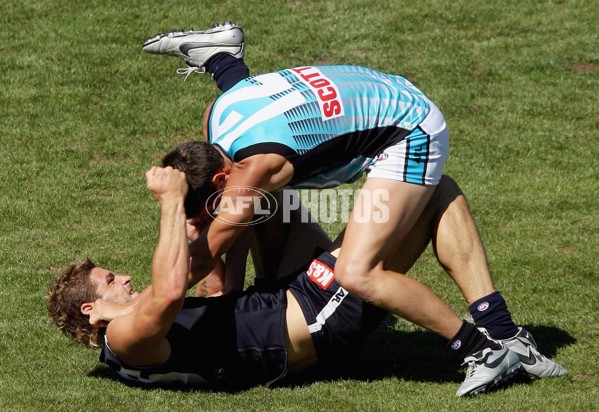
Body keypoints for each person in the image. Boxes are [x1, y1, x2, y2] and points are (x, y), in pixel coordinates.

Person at [142, 22, 567, 386]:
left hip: (410, 129)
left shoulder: (253, 174)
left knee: (357, 272)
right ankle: (504, 332)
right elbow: (223, 269)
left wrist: (140, 297)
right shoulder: (217, 115)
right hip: (383, 90)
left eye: (207, 207)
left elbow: (199, 266)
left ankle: (482, 350)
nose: (206, 217)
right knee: (432, 192)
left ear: (221, 179)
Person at [48, 169, 561, 396]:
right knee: (431, 191)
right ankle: (488, 347)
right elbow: (165, 292)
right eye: (111, 280)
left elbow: (215, 293)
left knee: (266, 195)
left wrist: (221, 222)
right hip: (310, 316)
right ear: (90, 312)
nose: (126, 277)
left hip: (289, 294)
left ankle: (502, 333)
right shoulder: (122, 340)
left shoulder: (136, 331)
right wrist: (168, 201)